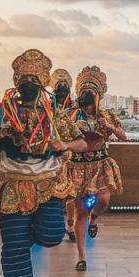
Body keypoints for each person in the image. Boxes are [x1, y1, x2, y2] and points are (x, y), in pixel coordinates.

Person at [0, 49, 88, 277]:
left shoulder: (54, 113)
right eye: (24, 79)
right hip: (13, 184)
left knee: (51, 235)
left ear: (42, 84)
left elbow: (82, 143)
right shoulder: (1, 111)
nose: (28, 83)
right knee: (13, 248)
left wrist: (64, 144)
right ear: (16, 82)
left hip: (48, 183)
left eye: (33, 79)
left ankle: (22, 239)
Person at [67, 66, 126, 271]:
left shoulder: (106, 115)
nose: (87, 95)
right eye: (84, 90)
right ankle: (81, 256)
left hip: (100, 164)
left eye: (91, 91)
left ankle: (95, 219)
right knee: (80, 210)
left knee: (103, 200)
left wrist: (110, 127)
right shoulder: (71, 115)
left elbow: (123, 136)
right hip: (78, 165)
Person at [49, 68, 80, 242]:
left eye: (64, 85)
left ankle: (71, 225)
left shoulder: (76, 108)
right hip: (50, 156)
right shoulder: (46, 106)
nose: (61, 89)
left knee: (71, 193)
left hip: (70, 155)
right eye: (58, 85)